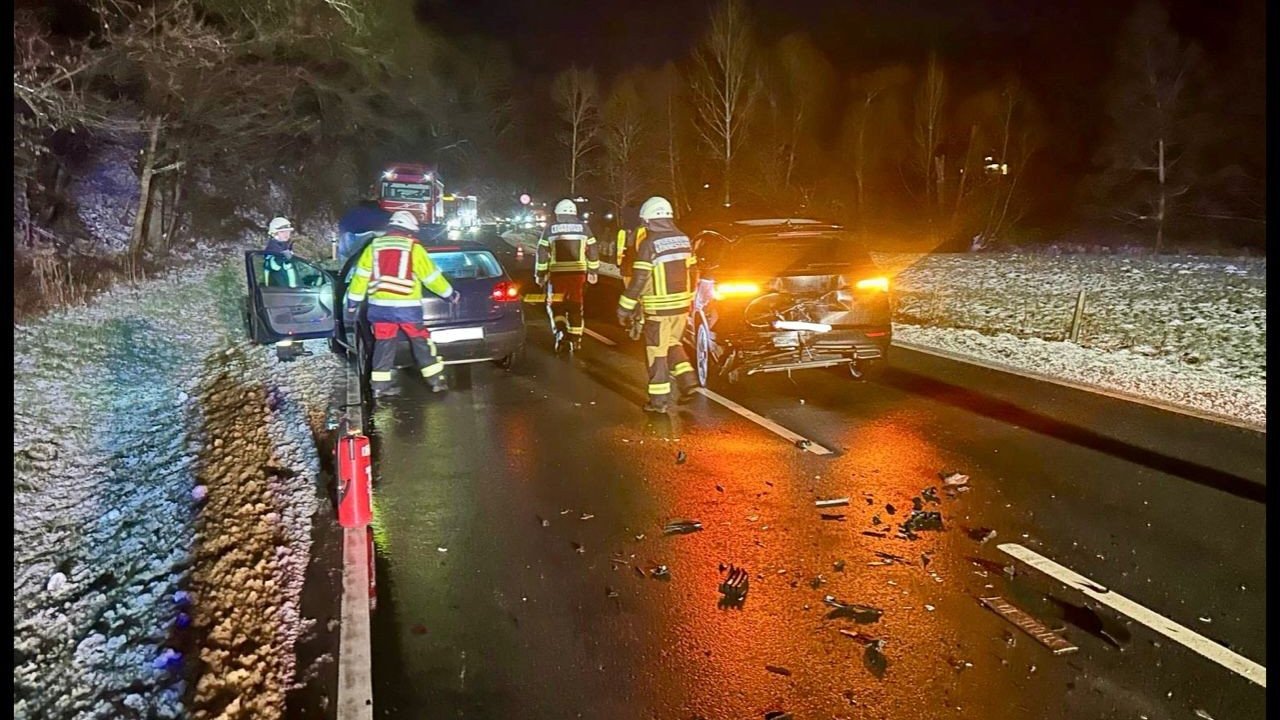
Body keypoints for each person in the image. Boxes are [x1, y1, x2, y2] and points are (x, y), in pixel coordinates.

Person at [345, 210, 459, 398]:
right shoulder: (413, 248)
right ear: (409, 230)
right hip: (407, 309)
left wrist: (353, 302)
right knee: (420, 341)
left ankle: (379, 387)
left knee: (384, 344)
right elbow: (431, 278)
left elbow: (360, 278)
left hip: (380, 309)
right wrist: (450, 294)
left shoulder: (373, 247)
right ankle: (436, 381)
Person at [616, 196, 699, 413]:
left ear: (648, 220)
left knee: (656, 353)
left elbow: (639, 279)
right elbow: (693, 271)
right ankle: (688, 381)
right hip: (681, 307)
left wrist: (624, 307)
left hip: (658, 311)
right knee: (672, 343)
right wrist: (689, 297)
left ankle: (659, 402)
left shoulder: (649, 244)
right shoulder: (683, 239)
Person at [535, 198, 599, 353]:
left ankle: (561, 333)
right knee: (576, 305)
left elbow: (542, 252)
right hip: (578, 274)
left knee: (557, 305)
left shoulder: (550, 229)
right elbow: (593, 249)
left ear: (557, 213)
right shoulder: (584, 228)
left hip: (557, 275)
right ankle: (576, 339)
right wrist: (593, 271)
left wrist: (540, 274)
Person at [337, 198, 390, 264]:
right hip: (382, 253)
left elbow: (342, 229)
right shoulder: (387, 215)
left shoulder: (351, 214)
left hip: (355, 253)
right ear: (379, 202)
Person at [263, 217, 299, 287]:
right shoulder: (272, 249)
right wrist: (283, 258)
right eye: (282, 232)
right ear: (274, 233)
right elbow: (274, 266)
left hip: (289, 291)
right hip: (280, 290)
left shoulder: (285, 247)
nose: (286, 234)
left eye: (288, 231)